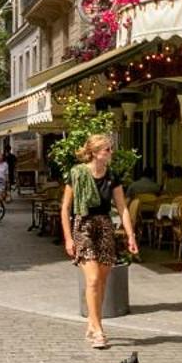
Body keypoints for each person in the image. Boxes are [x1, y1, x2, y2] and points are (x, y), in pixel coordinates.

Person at [59, 132, 136, 350]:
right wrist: (68, 238)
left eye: (110, 149)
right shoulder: (76, 174)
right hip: (83, 226)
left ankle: (92, 324)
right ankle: (98, 329)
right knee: (92, 280)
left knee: (101, 281)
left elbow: (122, 208)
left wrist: (130, 235)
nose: (111, 153)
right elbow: (65, 208)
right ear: (94, 153)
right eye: (107, 150)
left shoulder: (112, 176)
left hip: (104, 227)